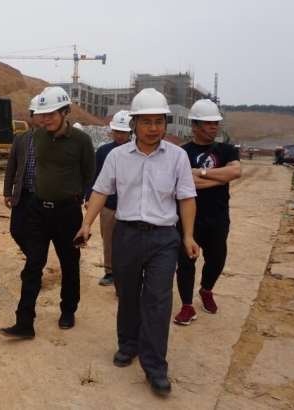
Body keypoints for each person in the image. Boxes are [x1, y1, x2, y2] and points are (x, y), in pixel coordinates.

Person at [75, 88, 199, 396]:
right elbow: (101, 191)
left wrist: (187, 235)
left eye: (159, 121)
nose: (153, 128)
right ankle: (128, 344)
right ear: (134, 123)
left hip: (163, 238)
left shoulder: (177, 157)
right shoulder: (117, 157)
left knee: (158, 300)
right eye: (146, 121)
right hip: (127, 235)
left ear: (165, 123)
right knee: (127, 294)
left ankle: (155, 366)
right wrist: (86, 224)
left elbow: (186, 197)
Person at [0, 86, 95, 337]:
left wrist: (77, 202)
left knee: (69, 264)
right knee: (32, 265)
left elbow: (88, 175)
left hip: (67, 213)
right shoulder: (38, 137)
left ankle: (68, 310)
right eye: (43, 114)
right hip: (38, 210)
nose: (46, 118)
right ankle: (24, 322)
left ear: (65, 112)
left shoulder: (81, 141)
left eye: (52, 113)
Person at [173, 99, 242, 325]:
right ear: (195, 125)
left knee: (217, 258)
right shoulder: (181, 153)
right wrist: (220, 177)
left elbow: (236, 172)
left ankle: (206, 289)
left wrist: (199, 173)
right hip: (188, 215)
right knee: (186, 261)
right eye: (209, 123)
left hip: (218, 214)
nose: (214, 127)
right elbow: (184, 184)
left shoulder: (226, 149)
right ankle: (187, 305)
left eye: (216, 123)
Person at [83, 110, 133, 289]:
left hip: (130, 207)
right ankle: (110, 271)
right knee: (109, 240)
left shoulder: (136, 151)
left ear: (130, 132)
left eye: (123, 132)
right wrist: (89, 197)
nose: (120, 135)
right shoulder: (104, 151)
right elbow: (94, 176)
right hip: (109, 205)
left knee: (130, 242)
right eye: (117, 131)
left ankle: (128, 274)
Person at [3, 95, 43, 253]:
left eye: (45, 113)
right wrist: (7, 192)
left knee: (38, 232)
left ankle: (35, 261)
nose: (42, 117)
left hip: (42, 195)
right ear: (31, 115)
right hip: (23, 194)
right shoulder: (20, 139)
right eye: (38, 114)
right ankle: (33, 257)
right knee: (16, 230)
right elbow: (11, 167)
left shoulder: (52, 141)